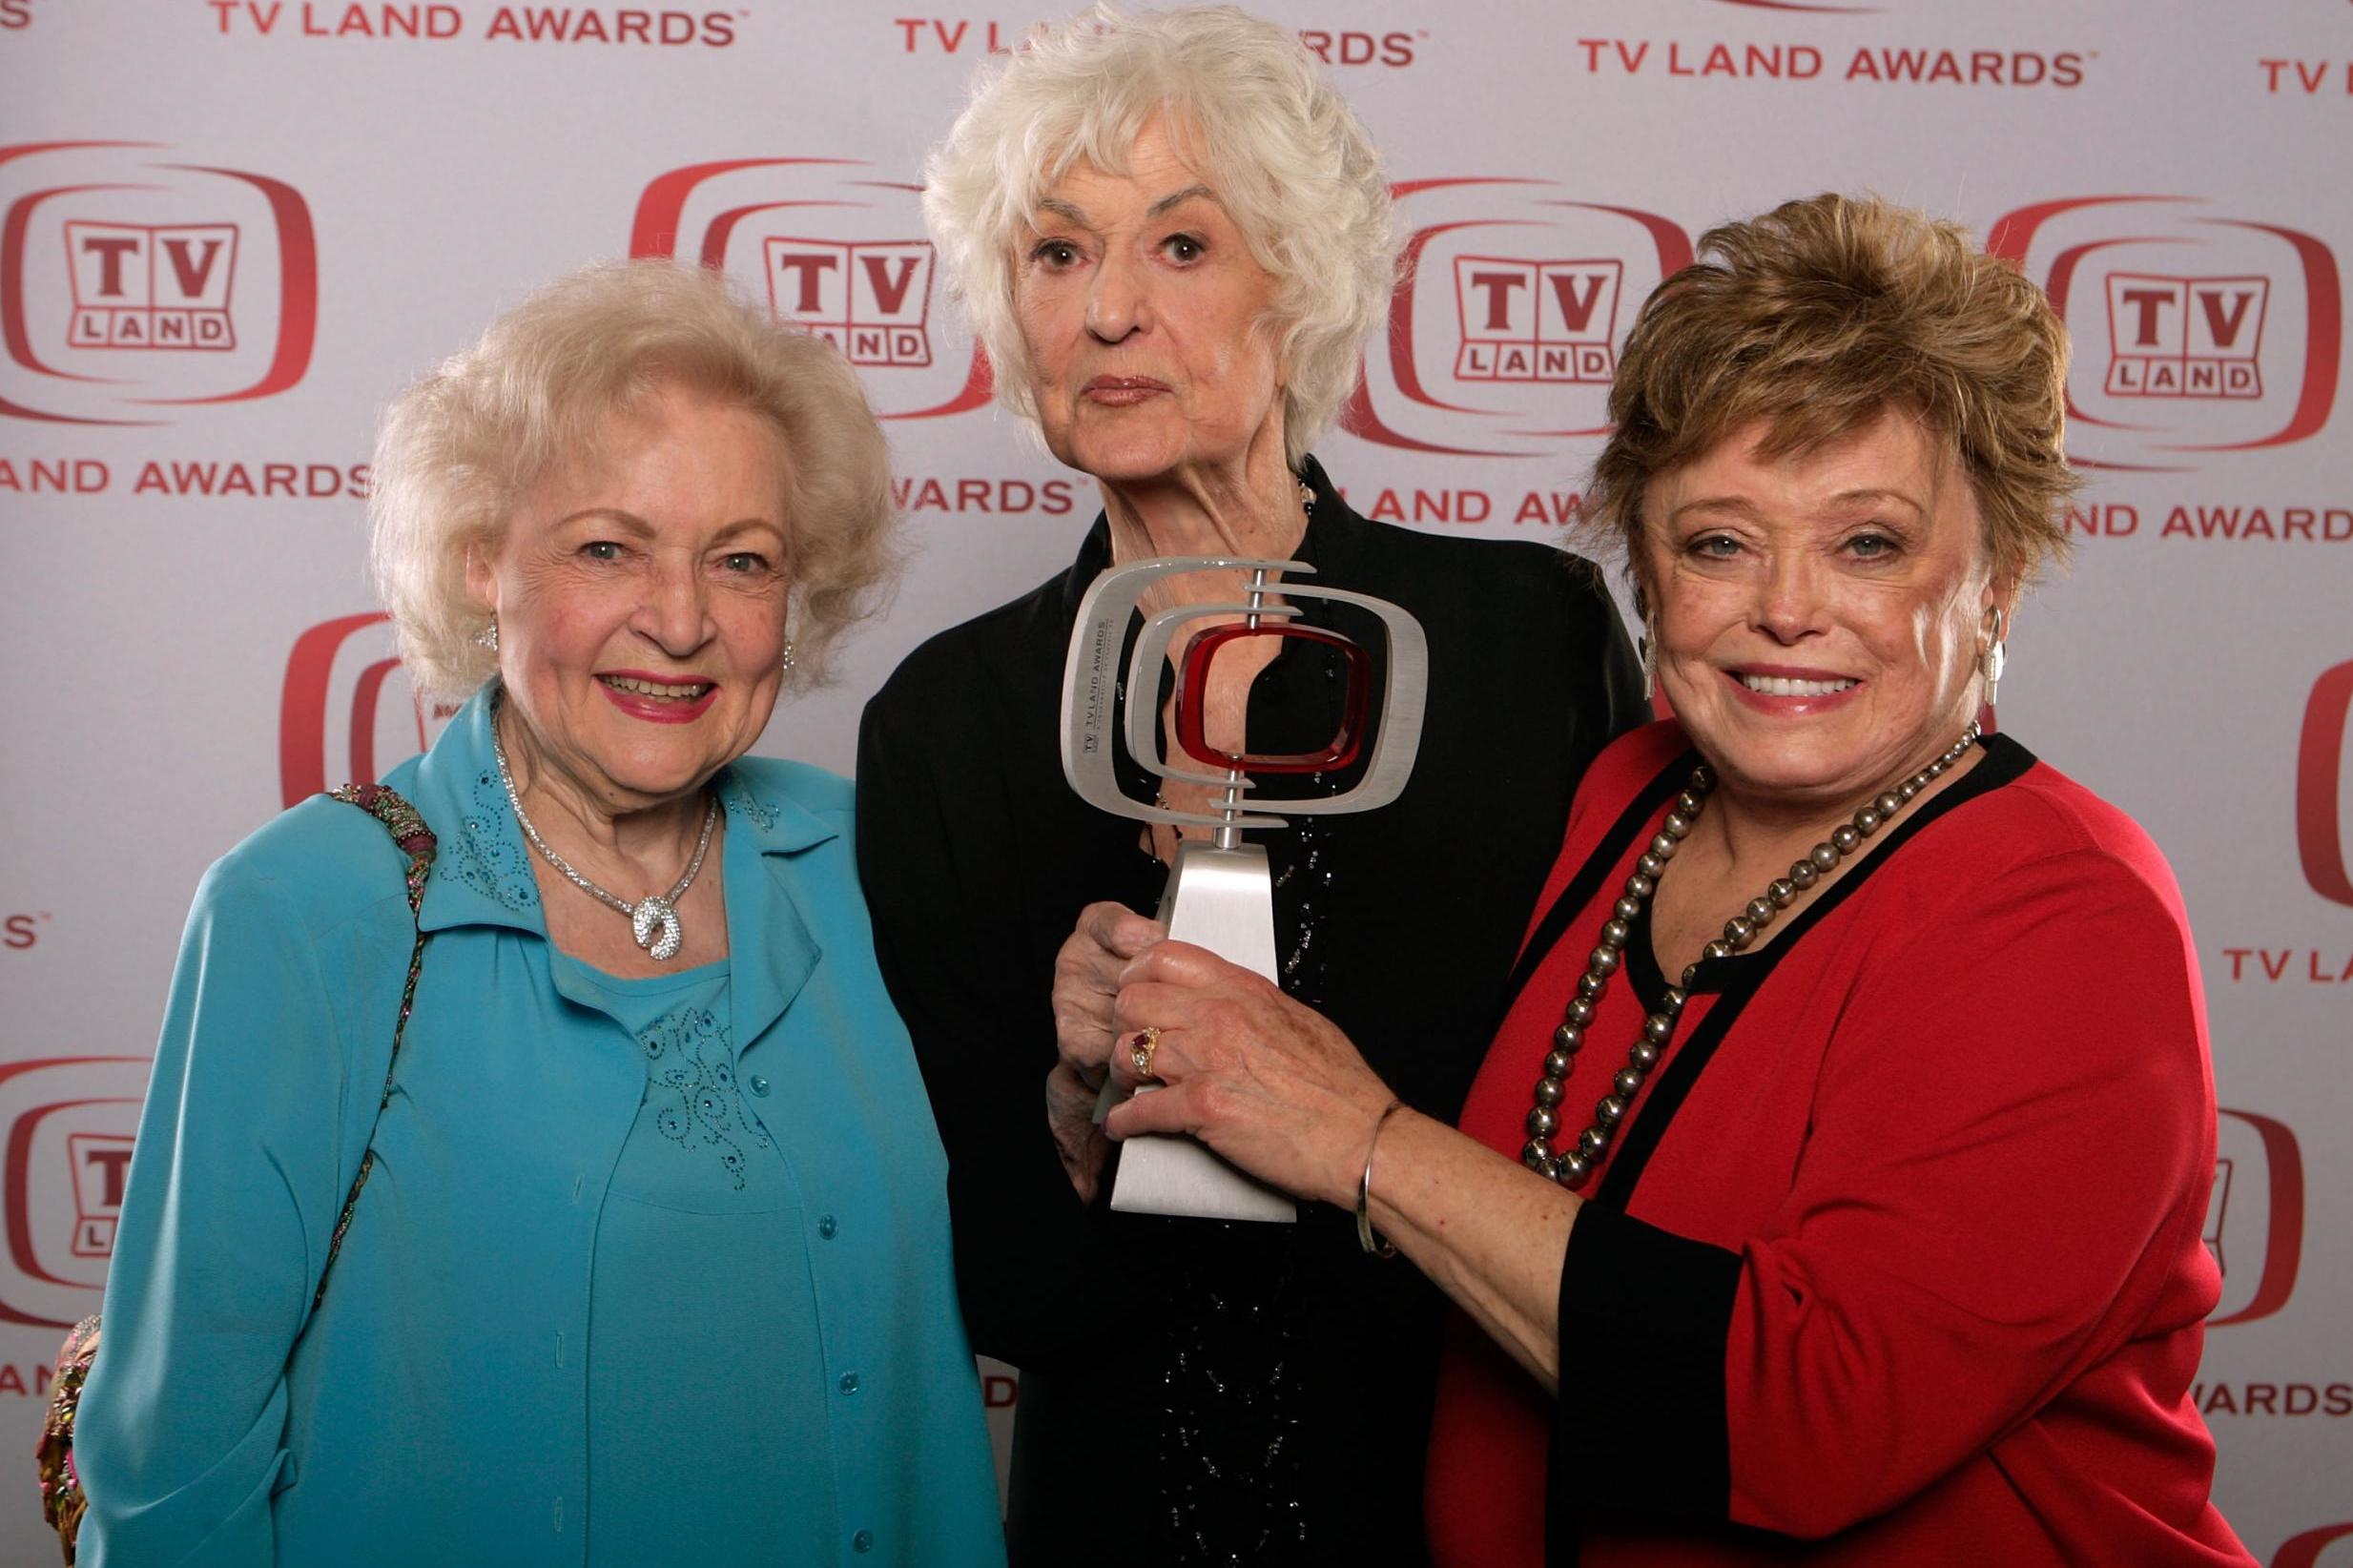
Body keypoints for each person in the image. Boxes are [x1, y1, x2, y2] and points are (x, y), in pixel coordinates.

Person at [1090, 194, 2256, 1564]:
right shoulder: (1625, 794)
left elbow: (1809, 1415)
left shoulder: (2062, 908)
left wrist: (1354, 1135)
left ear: (1996, 575)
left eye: (1866, 542)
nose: (1785, 606)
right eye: (1718, 541)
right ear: (1645, 570)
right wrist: (1163, 1060)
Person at [857, 7, 1641, 1562]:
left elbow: (1625, 1147)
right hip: (1114, 1516)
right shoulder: (951, 716)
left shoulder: (1523, 638)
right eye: (1057, 255)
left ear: (1304, 283)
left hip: (1476, 1497)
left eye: (1182, 247)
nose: (1108, 312)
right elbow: (1005, 1283)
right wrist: (1079, 1105)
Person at [74, 259, 1005, 1567]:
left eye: (741, 561)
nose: (679, 622)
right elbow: (173, 1476)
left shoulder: (863, 854)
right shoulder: (309, 908)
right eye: (607, 548)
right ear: (478, 565)